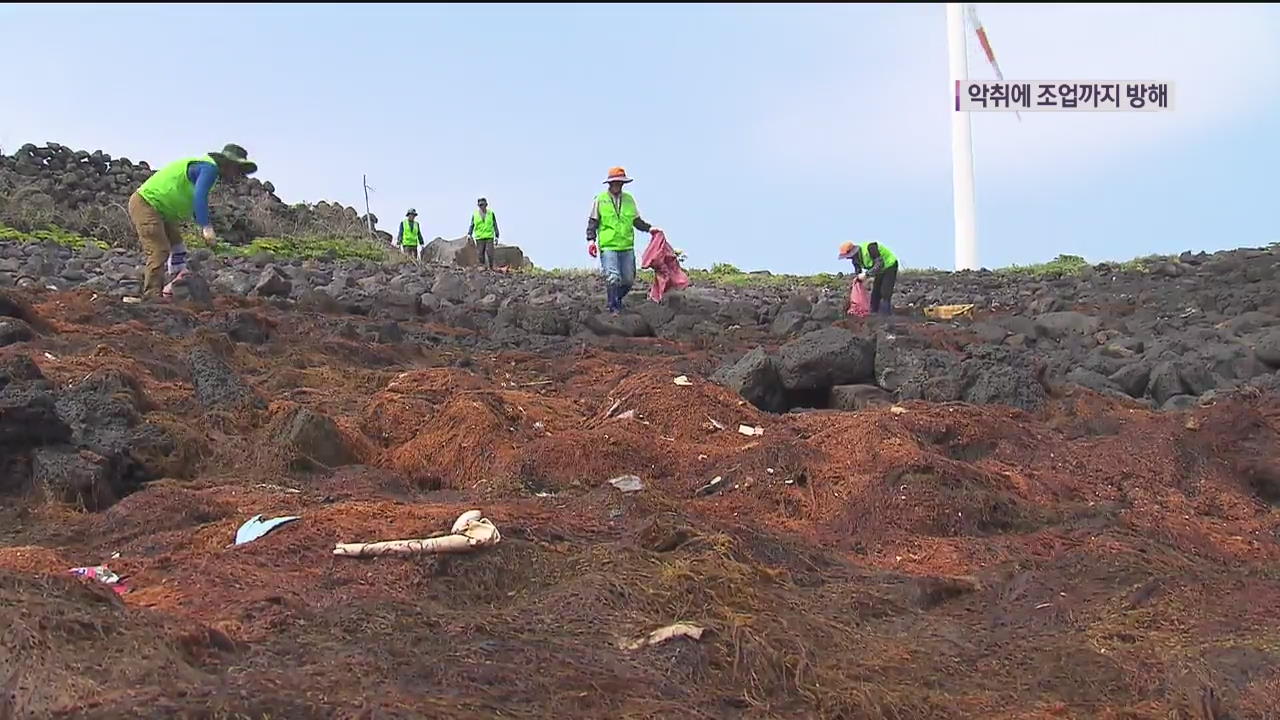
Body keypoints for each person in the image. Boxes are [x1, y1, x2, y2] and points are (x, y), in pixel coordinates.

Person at [128, 143, 257, 300]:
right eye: (237, 169)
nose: (237, 175)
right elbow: (199, 197)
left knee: (178, 247)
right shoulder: (209, 168)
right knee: (159, 249)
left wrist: (201, 221)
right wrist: (206, 226)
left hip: (162, 210)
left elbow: (195, 203)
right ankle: (151, 296)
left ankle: (173, 288)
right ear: (228, 164)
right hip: (146, 203)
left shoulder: (208, 169)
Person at [586, 166, 660, 314]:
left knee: (628, 280)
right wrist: (591, 241)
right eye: (615, 182)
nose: (618, 185)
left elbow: (636, 221)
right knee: (613, 278)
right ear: (610, 183)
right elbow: (593, 222)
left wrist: (650, 228)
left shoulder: (629, 200)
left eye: (620, 182)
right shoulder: (600, 200)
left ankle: (615, 300)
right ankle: (614, 308)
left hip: (626, 246)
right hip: (608, 246)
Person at [838, 241, 899, 316]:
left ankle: (886, 317)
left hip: (890, 266)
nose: (848, 258)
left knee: (885, 293)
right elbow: (858, 271)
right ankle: (873, 315)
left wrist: (866, 274)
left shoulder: (871, 247)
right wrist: (857, 282)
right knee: (875, 294)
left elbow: (880, 264)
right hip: (879, 271)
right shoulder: (855, 259)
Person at [466, 197, 499, 270]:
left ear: (486, 205)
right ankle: (482, 267)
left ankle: (491, 267)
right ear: (478, 205)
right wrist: (469, 234)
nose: (482, 206)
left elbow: (495, 224)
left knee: (490, 253)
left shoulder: (491, 213)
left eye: (483, 205)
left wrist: (497, 236)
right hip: (479, 237)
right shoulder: (475, 214)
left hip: (489, 236)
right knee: (480, 254)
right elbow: (472, 225)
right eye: (480, 205)